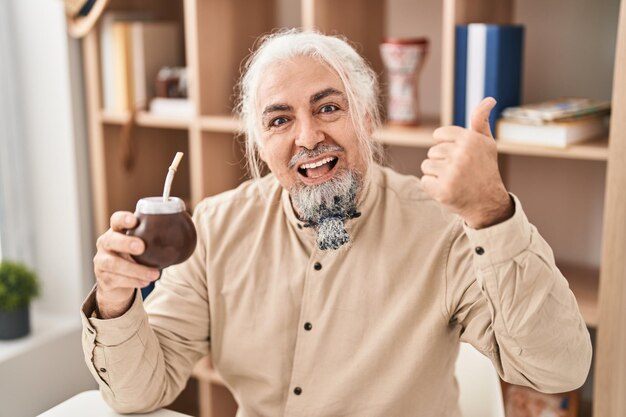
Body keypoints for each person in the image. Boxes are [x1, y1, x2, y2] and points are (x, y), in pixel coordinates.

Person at [81, 29, 592, 417]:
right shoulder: (216, 227)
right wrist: (115, 299)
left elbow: (557, 368)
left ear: (368, 120)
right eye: (279, 120)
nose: (307, 137)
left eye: (328, 108)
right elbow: (138, 392)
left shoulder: (446, 227)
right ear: (259, 144)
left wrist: (491, 212)